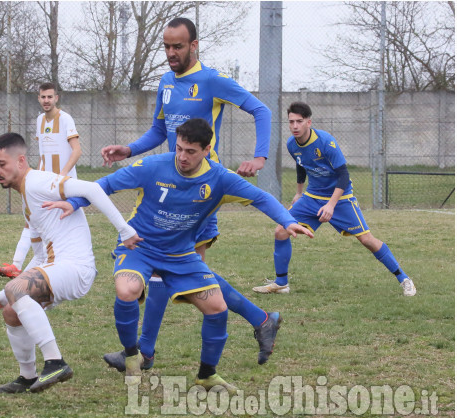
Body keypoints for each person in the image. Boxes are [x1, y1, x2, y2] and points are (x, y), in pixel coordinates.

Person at [46, 119, 313, 393]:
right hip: (139, 246)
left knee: (217, 308)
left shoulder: (219, 178)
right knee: (127, 290)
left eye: (191, 151)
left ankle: (207, 375)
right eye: (180, 149)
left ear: (207, 149)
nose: (183, 156)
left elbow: (261, 198)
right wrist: (73, 202)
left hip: (180, 255)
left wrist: (286, 219)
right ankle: (132, 355)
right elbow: (104, 185)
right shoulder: (153, 166)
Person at [99, 17, 275, 371]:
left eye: (178, 46)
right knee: (190, 276)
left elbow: (261, 109)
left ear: (194, 45)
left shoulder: (211, 80)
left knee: (173, 272)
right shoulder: (166, 82)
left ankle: (145, 353)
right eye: (166, 46)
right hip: (175, 187)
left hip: (202, 193)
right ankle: (261, 320)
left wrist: (260, 156)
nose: (171, 53)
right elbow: (158, 131)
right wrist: (129, 150)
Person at [0, 132, 141, 394]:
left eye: (2, 164)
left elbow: (91, 189)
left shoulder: (37, 182)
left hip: (76, 268)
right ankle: (27, 377)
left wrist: (125, 230)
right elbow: (42, 258)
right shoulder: (27, 200)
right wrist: (1, 295)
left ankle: (55, 362)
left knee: (16, 291)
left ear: (20, 161)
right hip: (59, 267)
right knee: (12, 309)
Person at [253, 102, 416, 296]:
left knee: (366, 239)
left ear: (308, 122)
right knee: (281, 230)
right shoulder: (291, 144)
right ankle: (281, 284)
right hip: (312, 197)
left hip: (341, 198)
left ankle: (404, 278)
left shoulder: (325, 142)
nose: (295, 126)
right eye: (291, 122)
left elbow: (343, 175)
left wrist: (331, 205)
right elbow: (301, 165)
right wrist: (298, 192)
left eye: (299, 121)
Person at [0, 82, 82, 278]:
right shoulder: (40, 120)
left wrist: (63, 174)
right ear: (38, 99)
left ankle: (56, 270)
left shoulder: (65, 119)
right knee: (31, 220)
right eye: (43, 97)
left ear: (56, 98)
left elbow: (77, 150)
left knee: (57, 230)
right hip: (42, 182)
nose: (46, 100)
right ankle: (17, 267)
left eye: (50, 97)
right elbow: (44, 153)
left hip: (60, 185)